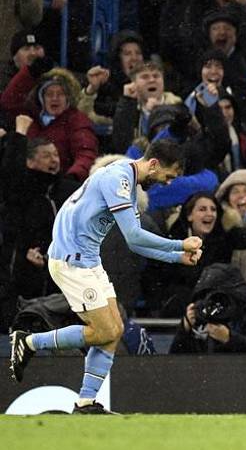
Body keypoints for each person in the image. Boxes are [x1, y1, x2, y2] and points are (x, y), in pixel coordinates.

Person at [8, 141, 201, 413]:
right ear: (154, 164)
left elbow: (134, 244)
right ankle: (29, 341)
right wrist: (179, 244)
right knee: (105, 331)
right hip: (71, 259)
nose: (168, 183)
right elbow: (134, 235)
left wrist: (175, 257)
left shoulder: (126, 182)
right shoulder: (118, 179)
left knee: (115, 330)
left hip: (87, 260)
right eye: (169, 176)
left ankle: (85, 403)